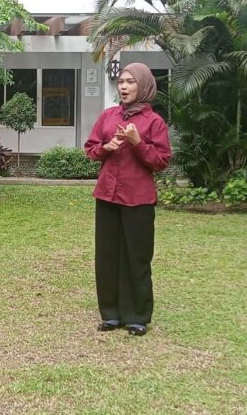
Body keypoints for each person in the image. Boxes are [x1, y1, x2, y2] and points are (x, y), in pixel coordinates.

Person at [84, 63, 171, 337]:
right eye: (121, 81)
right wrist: (105, 148)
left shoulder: (154, 122)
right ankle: (111, 314)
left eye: (130, 82)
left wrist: (137, 142)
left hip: (138, 199)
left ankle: (137, 316)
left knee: (137, 257)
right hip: (107, 195)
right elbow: (91, 149)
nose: (123, 87)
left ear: (143, 85)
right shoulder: (109, 116)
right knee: (107, 256)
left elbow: (161, 161)